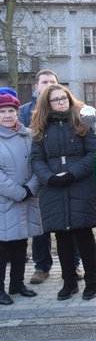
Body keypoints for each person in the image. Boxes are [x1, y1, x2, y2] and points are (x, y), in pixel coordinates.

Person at [30, 84, 96, 301]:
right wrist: (49, 177)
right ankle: (69, 282)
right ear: (47, 104)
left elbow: (94, 153)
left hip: (80, 184)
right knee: (62, 237)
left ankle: (91, 282)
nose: (61, 102)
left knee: (84, 235)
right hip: (53, 188)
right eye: (56, 99)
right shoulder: (41, 126)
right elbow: (36, 158)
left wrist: (71, 174)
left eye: (64, 98)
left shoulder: (82, 121)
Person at [20, 69, 69, 285]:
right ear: (36, 86)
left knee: (69, 221)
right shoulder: (24, 112)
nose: (48, 84)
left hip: (65, 175)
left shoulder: (69, 109)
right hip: (38, 175)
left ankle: (73, 264)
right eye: (44, 82)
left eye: (52, 81)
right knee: (41, 225)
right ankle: (42, 266)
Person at [0, 89, 42, 305]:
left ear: (18, 112)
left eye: (11, 111)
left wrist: (31, 187)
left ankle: (17, 284)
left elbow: (37, 164)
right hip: (5, 203)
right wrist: (20, 192)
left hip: (26, 200)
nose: (7, 115)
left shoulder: (28, 135)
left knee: (20, 246)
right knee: (2, 248)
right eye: (3, 111)